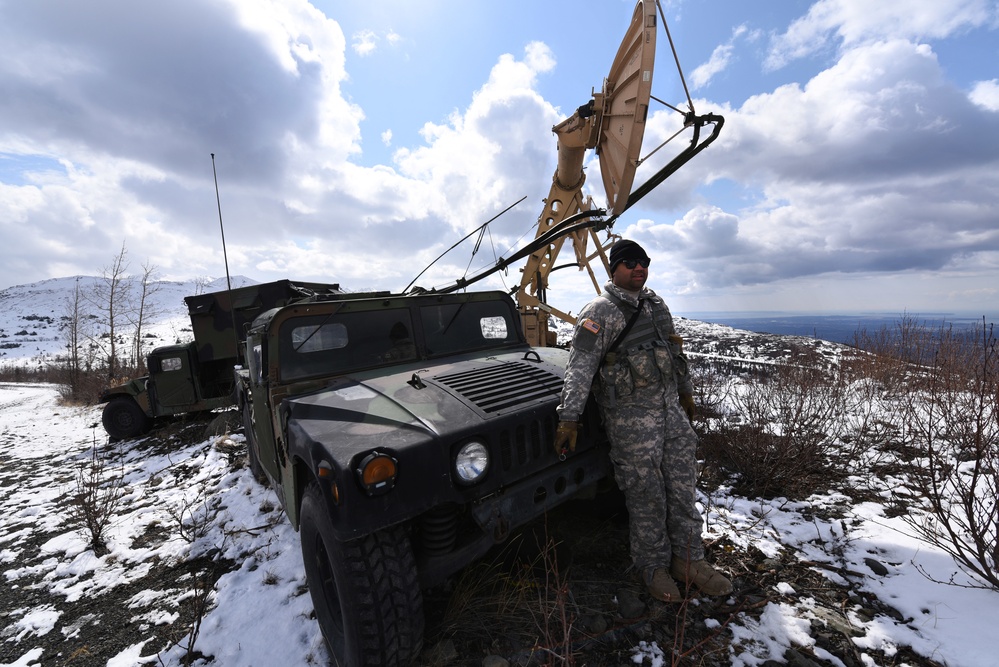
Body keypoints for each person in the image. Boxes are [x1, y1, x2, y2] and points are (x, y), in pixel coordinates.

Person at [554, 239, 732, 602]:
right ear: (614, 269)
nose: (639, 268)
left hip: (670, 415)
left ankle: (688, 559)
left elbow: (673, 349)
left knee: (683, 488)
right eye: (630, 262)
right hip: (632, 423)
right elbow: (579, 369)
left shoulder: (655, 305)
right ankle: (653, 567)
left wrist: (686, 391)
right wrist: (569, 418)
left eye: (644, 262)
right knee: (646, 495)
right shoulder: (598, 313)